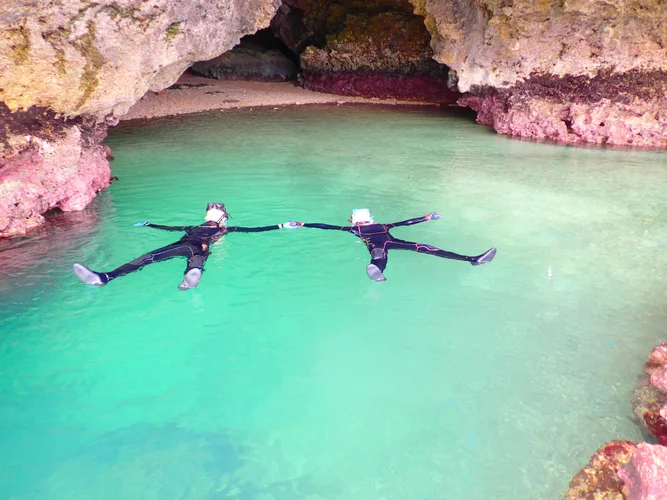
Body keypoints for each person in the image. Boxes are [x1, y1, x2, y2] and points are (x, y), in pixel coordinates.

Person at [72, 203, 301, 290]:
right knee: (190, 261)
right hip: (194, 247)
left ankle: (106, 277)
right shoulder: (211, 228)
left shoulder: (217, 229)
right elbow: (170, 228)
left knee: (148, 258)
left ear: (219, 218)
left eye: (214, 213)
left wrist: (282, 225)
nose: (210, 215)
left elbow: (254, 229)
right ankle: (103, 277)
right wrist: (150, 224)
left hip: (186, 245)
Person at [299, 208, 496, 281]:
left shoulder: (368, 227)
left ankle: (472, 259)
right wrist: (304, 224)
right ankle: (377, 269)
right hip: (382, 244)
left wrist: (426, 217)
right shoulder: (356, 229)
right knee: (378, 252)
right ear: (361, 220)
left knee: (423, 247)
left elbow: (406, 222)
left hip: (390, 242)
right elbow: (324, 226)